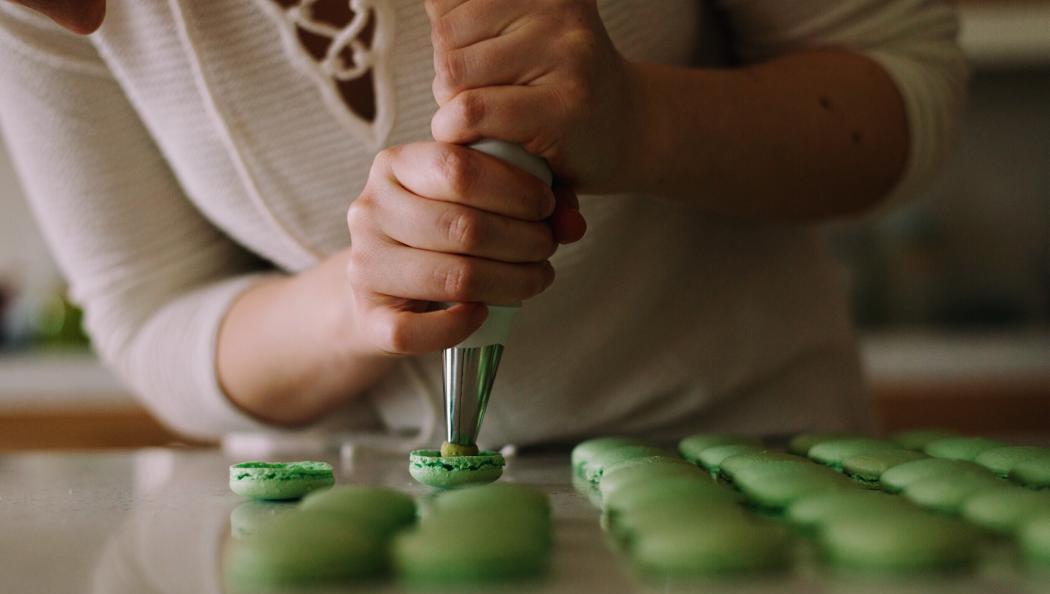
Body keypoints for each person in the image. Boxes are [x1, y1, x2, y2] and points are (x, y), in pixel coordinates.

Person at [0, 0, 965, 447]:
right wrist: (361, 296)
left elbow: (902, 79)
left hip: (745, 493)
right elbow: (148, 316)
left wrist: (641, 123)